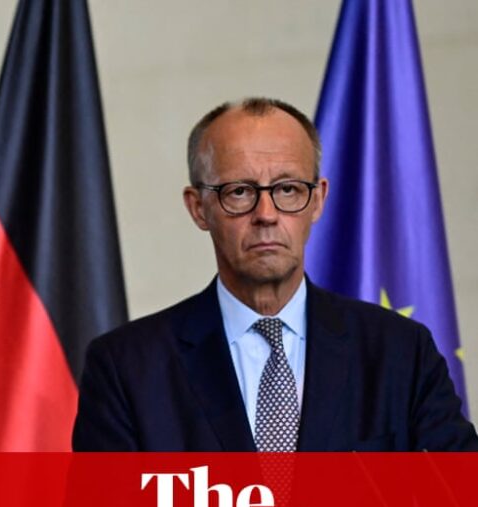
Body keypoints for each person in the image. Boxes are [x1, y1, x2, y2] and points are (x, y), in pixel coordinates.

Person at [72, 97, 478, 452]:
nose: (266, 215)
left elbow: (461, 503)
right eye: (239, 192)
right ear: (198, 208)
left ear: (317, 200)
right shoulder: (127, 368)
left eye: (287, 189)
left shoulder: (401, 352)